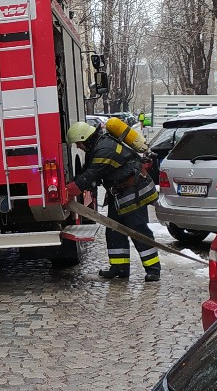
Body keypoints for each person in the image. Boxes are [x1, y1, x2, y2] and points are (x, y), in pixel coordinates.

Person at [64, 119, 161, 282]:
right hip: (120, 194)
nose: (78, 147)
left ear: (85, 139)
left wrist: (68, 191)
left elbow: (91, 176)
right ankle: (119, 268)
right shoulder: (97, 147)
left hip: (133, 192)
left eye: (78, 143)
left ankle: (153, 269)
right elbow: (85, 173)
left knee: (138, 231)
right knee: (114, 230)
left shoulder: (104, 150)